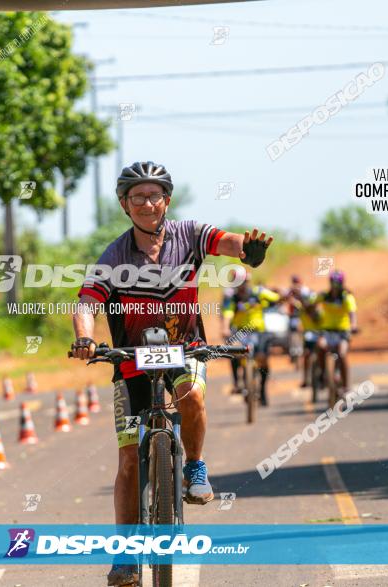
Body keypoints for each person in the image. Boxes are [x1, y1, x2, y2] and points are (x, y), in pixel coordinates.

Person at [68, 161, 272, 587]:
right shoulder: (114, 255)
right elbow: (86, 302)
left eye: (154, 195)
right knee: (128, 461)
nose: (147, 203)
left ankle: (194, 467)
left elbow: (226, 241)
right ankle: (124, 556)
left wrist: (246, 250)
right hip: (131, 361)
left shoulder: (189, 234)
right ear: (125, 205)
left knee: (193, 396)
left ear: (167, 201)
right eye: (137, 196)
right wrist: (85, 338)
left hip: (185, 349)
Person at [221, 269, 281, 406]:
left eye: (243, 282)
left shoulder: (259, 292)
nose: (241, 285)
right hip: (240, 332)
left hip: (259, 331)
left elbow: (276, 298)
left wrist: (282, 295)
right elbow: (227, 314)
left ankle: (263, 390)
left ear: (247, 281)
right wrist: (224, 328)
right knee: (233, 350)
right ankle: (237, 383)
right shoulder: (231, 297)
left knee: (263, 360)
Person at [316, 270, 358, 396]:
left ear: (341, 283)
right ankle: (323, 374)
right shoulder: (324, 296)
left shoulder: (347, 297)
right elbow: (312, 304)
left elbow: (352, 313)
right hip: (326, 331)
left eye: (337, 283)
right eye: (332, 283)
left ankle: (345, 385)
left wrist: (353, 325)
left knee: (342, 353)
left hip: (342, 332)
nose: (334, 286)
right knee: (320, 346)